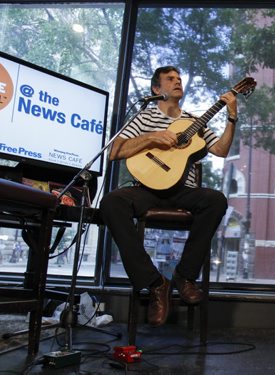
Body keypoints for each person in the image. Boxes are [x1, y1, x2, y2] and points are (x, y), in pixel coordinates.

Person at [100, 66, 237, 327]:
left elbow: (220, 149)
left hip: (182, 191)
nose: (177, 82)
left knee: (216, 200)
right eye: (170, 79)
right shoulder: (144, 118)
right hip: (146, 189)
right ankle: (154, 283)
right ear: (156, 89)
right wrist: (151, 138)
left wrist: (232, 115)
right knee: (111, 202)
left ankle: (184, 277)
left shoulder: (194, 121)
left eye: (179, 79)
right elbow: (115, 151)